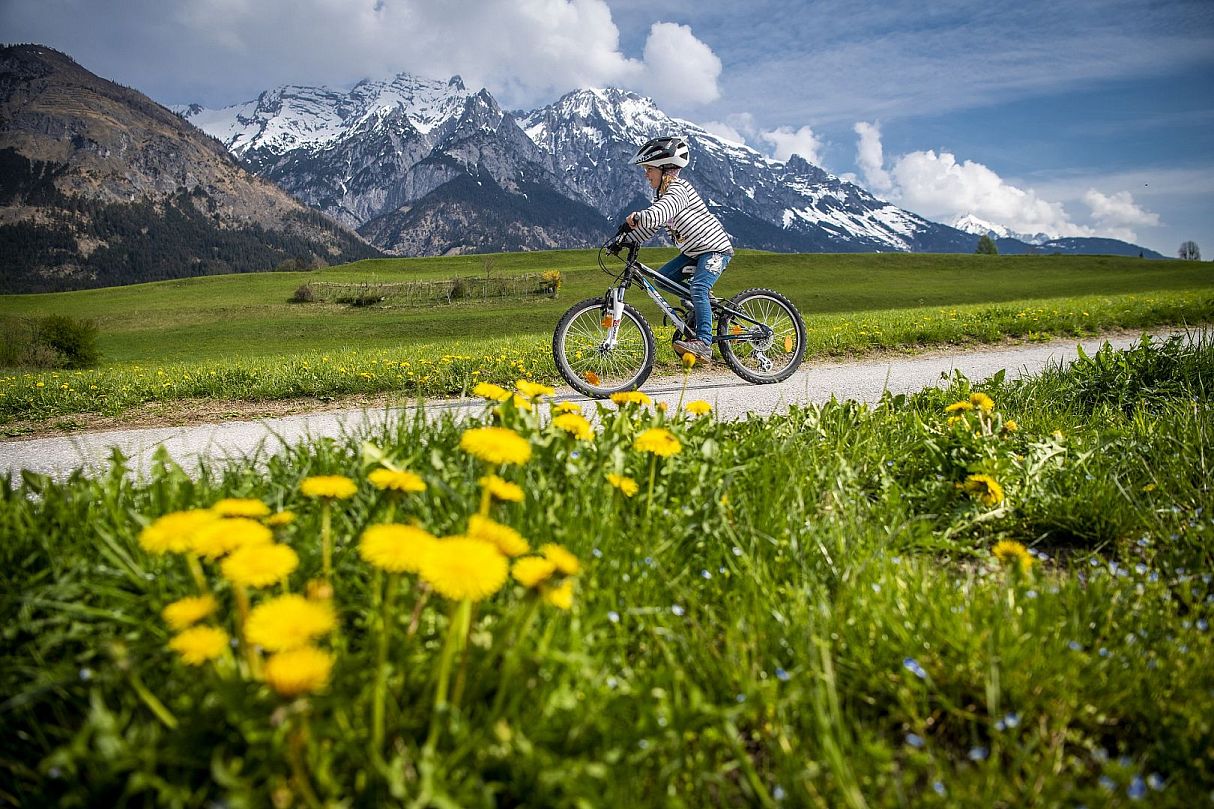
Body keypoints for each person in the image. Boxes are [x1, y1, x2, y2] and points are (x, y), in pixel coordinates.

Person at [624, 136, 734, 363]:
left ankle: (703, 342)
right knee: (663, 279)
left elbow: (659, 214)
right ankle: (700, 302)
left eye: (649, 169)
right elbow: (651, 226)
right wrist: (625, 240)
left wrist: (640, 216)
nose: (646, 174)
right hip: (693, 252)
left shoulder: (678, 189)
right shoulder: (663, 194)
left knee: (699, 287)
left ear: (665, 168)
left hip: (714, 249)